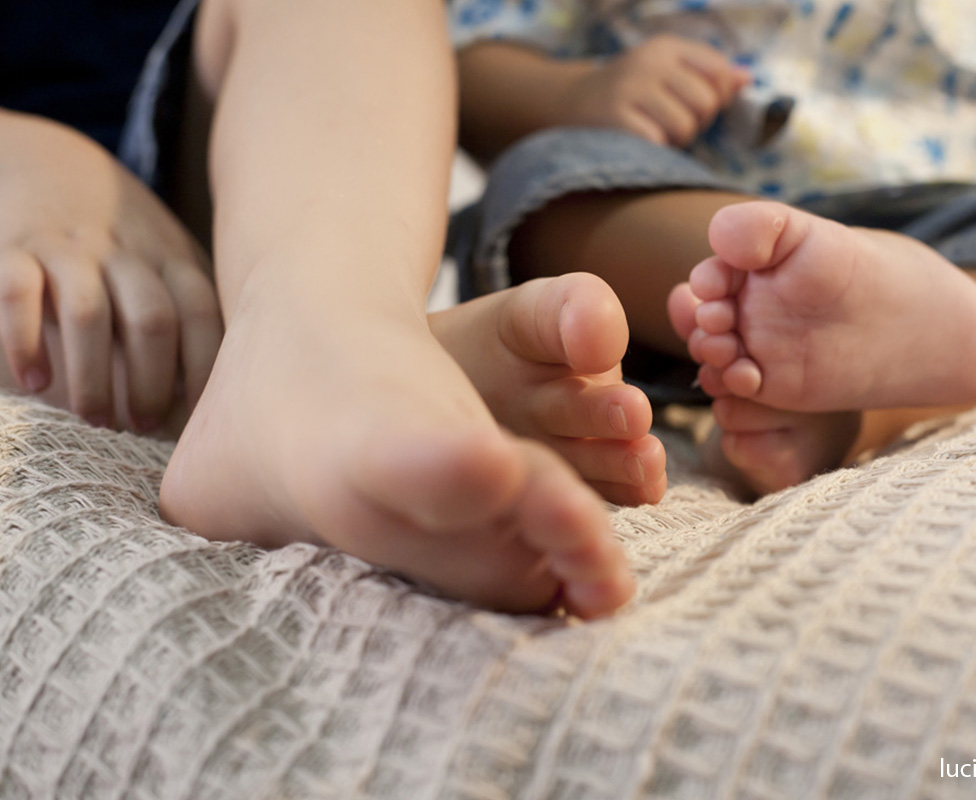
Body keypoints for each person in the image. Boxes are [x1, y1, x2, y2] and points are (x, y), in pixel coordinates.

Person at [0, 0, 667, 618]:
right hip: (36, 234)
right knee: (49, 313)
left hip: (259, 190)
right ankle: (329, 375)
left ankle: (328, 334)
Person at [449, 0, 976, 496]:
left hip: (942, 247)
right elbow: (470, 68)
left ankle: (856, 407)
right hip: (685, 222)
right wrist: (578, 95)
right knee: (546, 177)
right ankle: (781, 314)